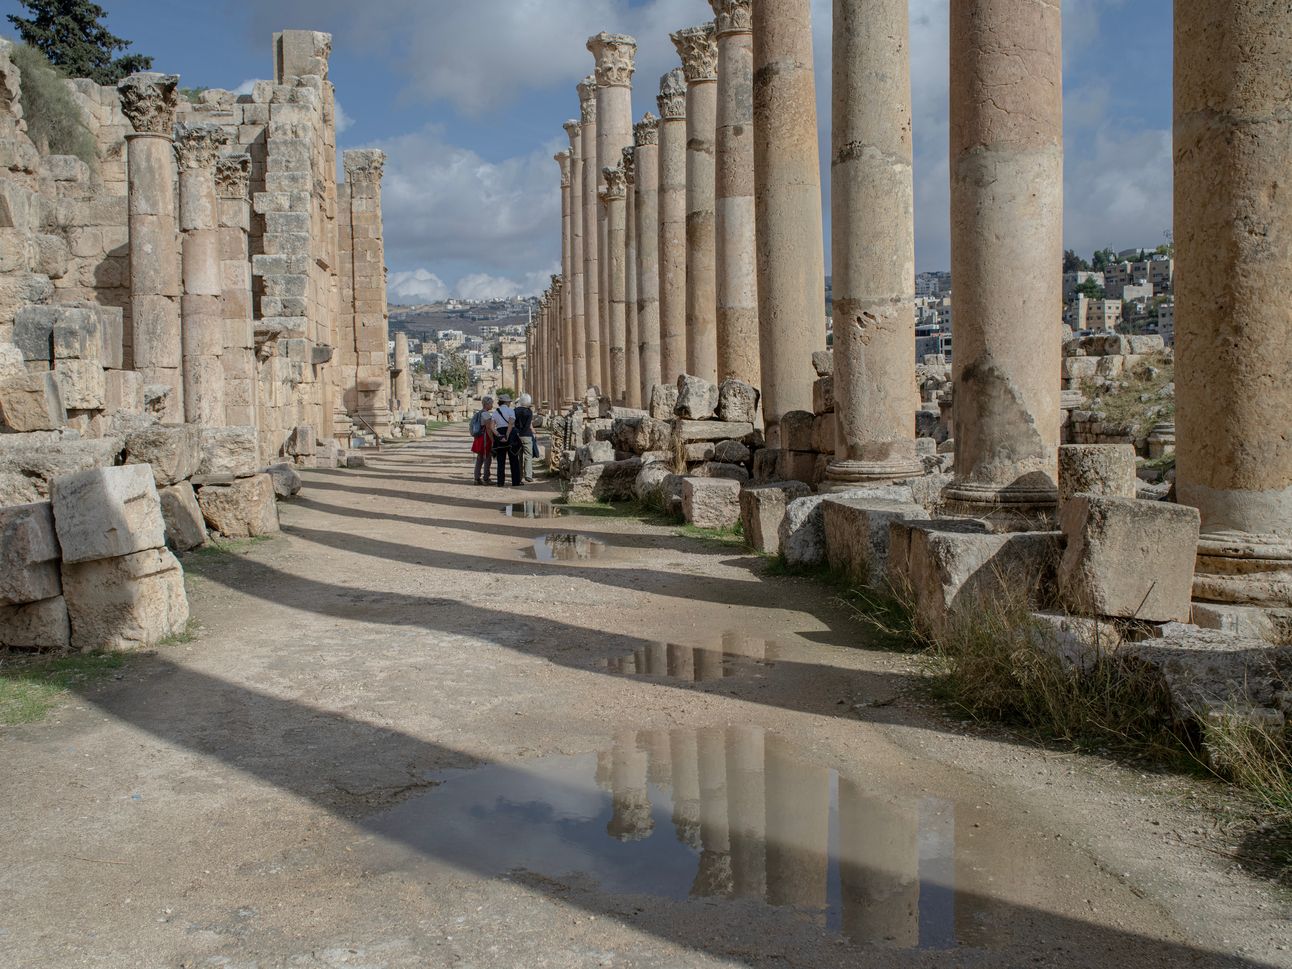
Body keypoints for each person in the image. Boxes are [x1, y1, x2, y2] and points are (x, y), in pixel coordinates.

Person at [489, 393, 521, 487]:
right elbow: (511, 424)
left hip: (499, 435)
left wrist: (499, 436)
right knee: (514, 459)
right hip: (510, 435)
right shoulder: (511, 411)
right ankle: (516, 482)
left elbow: (492, 427)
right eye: (509, 402)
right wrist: (506, 435)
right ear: (506, 402)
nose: (510, 403)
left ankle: (500, 482)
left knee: (501, 461)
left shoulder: (495, 412)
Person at [470, 396, 495, 485]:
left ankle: (477, 478)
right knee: (487, 458)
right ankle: (486, 478)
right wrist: (493, 440)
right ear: (486, 404)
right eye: (491, 403)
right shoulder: (486, 414)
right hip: (485, 438)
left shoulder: (479, 413)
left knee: (479, 458)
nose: (492, 405)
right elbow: (488, 428)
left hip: (479, 437)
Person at [514, 393, 536, 484]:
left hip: (517, 436)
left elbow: (513, 423)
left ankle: (519, 476)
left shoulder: (515, 410)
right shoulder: (529, 411)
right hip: (526, 435)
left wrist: (518, 432)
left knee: (518, 456)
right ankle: (528, 475)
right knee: (528, 455)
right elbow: (527, 425)